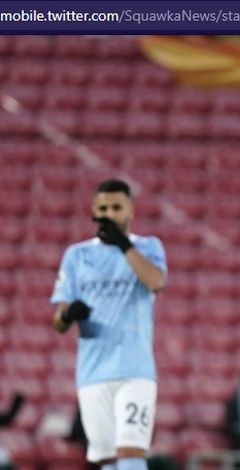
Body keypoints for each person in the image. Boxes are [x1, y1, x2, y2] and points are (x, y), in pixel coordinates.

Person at [50, 179, 167, 470]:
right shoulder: (77, 255)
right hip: (93, 373)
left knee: (131, 453)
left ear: (131, 210)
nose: (110, 213)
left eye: (117, 207)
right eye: (104, 208)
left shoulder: (148, 246)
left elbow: (156, 282)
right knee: (107, 460)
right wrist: (68, 315)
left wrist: (123, 244)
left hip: (135, 371)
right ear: (93, 211)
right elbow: (58, 322)